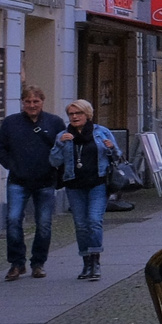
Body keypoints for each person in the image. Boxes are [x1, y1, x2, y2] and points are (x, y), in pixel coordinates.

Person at [0, 85, 64, 280]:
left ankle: (38, 263)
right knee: (13, 220)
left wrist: (58, 172)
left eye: (36, 101)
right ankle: (16, 263)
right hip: (18, 180)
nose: (32, 105)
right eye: (28, 102)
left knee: (44, 224)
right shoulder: (11, 123)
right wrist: (12, 166)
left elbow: (64, 149)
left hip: (45, 181)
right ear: (22, 103)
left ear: (42, 102)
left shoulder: (55, 122)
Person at [50, 99, 122, 282]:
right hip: (74, 185)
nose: (74, 117)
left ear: (87, 115)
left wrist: (112, 149)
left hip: (98, 183)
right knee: (81, 225)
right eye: (71, 114)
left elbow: (118, 156)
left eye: (78, 113)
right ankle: (86, 262)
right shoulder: (63, 135)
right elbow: (54, 162)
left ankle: (96, 262)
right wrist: (59, 144)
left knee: (94, 221)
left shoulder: (101, 132)